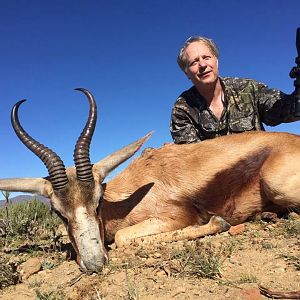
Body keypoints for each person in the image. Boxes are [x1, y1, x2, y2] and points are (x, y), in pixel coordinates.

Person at [170, 36, 300, 144]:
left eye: (206, 57)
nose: (203, 65)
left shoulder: (249, 89)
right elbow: (192, 157)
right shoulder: (182, 109)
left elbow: (285, 111)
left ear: (216, 60)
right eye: (194, 62)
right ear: (186, 73)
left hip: (261, 170)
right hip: (214, 174)